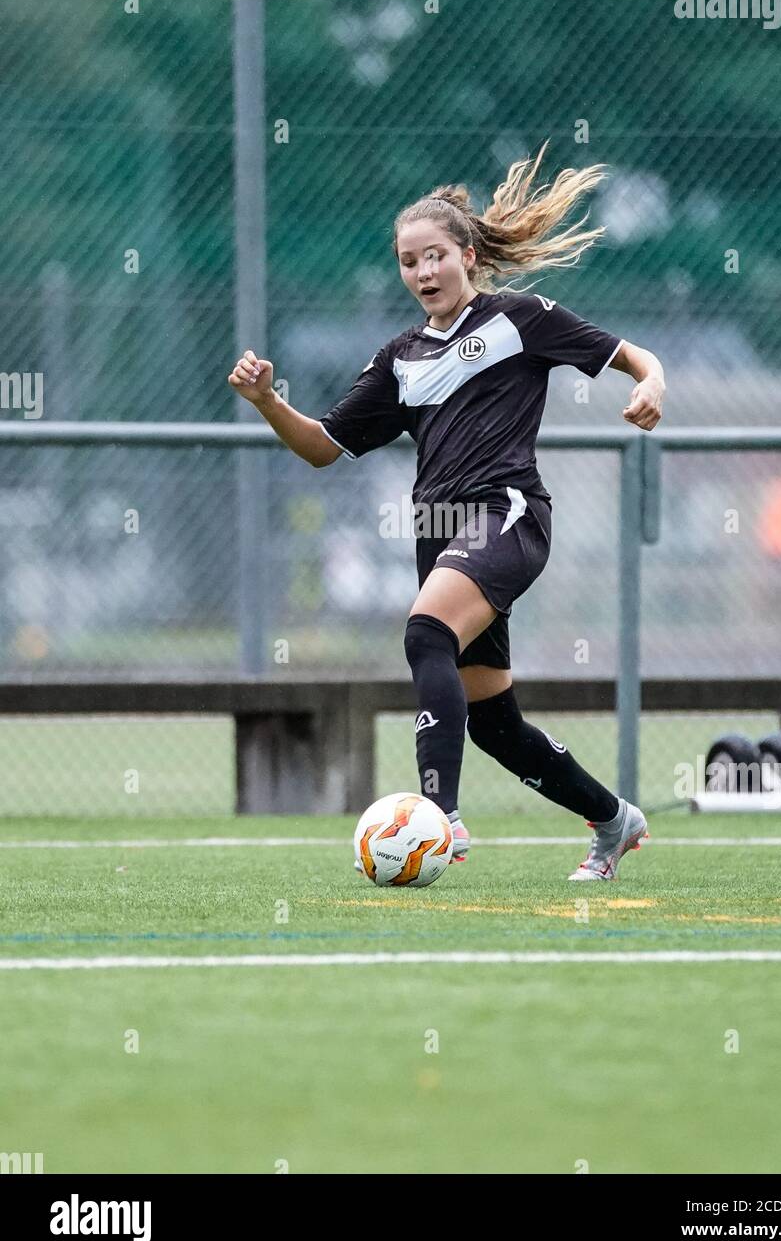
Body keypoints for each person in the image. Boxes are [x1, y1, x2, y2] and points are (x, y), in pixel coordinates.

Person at [228, 141, 665, 880]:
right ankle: (614, 820)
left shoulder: (522, 319)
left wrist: (653, 385)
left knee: (426, 631)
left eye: (435, 256)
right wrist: (269, 401)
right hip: (439, 539)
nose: (423, 272)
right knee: (496, 724)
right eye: (408, 261)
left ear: (466, 254)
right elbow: (322, 448)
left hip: (510, 517)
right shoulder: (398, 359)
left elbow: (636, 356)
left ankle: (442, 819)